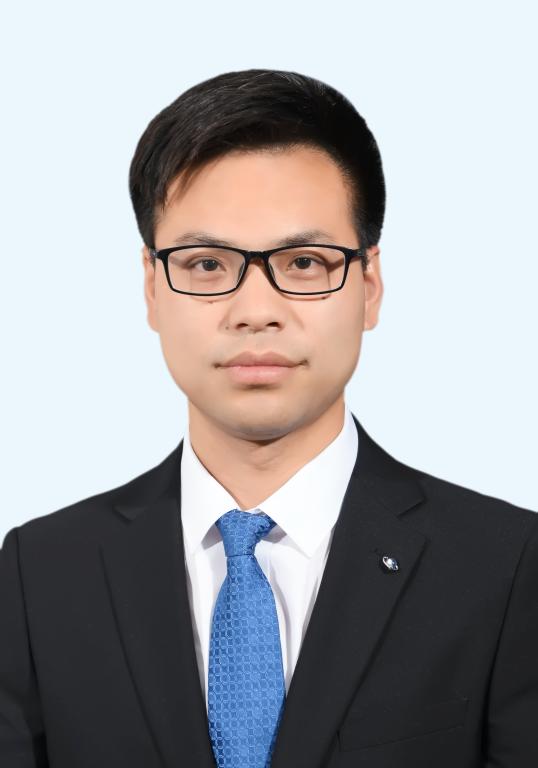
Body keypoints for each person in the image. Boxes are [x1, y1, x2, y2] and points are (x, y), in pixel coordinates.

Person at [1, 68, 536, 768]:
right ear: (152, 287)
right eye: (206, 264)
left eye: (305, 262)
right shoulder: (40, 575)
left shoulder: (507, 567)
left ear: (370, 285)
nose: (256, 311)